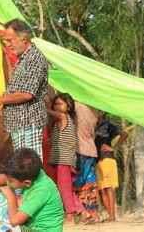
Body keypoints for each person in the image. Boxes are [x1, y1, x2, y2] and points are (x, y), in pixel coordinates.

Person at [0, 19, 48, 160]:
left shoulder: (34, 58)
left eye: (10, 40)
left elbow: (27, 93)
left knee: (29, 167)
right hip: (20, 124)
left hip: (28, 122)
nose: (8, 45)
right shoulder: (23, 58)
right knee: (23, 167)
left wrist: (1, 99)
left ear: (23, 38)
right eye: (6, 41)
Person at [0, 148, 64, 232]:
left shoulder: (42, 190)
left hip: (42, 230)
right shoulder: (33, 174)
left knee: (14, 230)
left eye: (10, 181)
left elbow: (15, 221)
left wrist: (11, 195)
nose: (7, 182)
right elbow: (6, 178)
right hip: (30, 226)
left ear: (27, 183)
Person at [47, 93, 92, 225]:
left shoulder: (64, 117)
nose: (57, 107)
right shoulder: (61, 122)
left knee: (63, 189)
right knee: (66, 188)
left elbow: (59, 115)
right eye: (55, 104)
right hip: (62, 160)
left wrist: (44, 108)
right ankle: (83, 212)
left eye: (60, 104)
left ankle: (69, 216)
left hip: (64, 160)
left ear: (68, 106)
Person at [95, 111, 128, 223]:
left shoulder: (108, 125)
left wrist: (113, 147)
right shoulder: (92, 125)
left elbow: (124, 134)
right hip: (97, 159)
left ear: (102, 112)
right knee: (101, 189)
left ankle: (112, 216)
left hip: (107, 158)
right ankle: (110, 215)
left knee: (108, 187)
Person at [73, 101, 101, 222]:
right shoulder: (96, 108)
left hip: (80, 151)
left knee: (76, 184)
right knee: (90, 185)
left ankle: (75, 215)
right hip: (91, 151)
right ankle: (93, 215)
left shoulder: (77, 107)